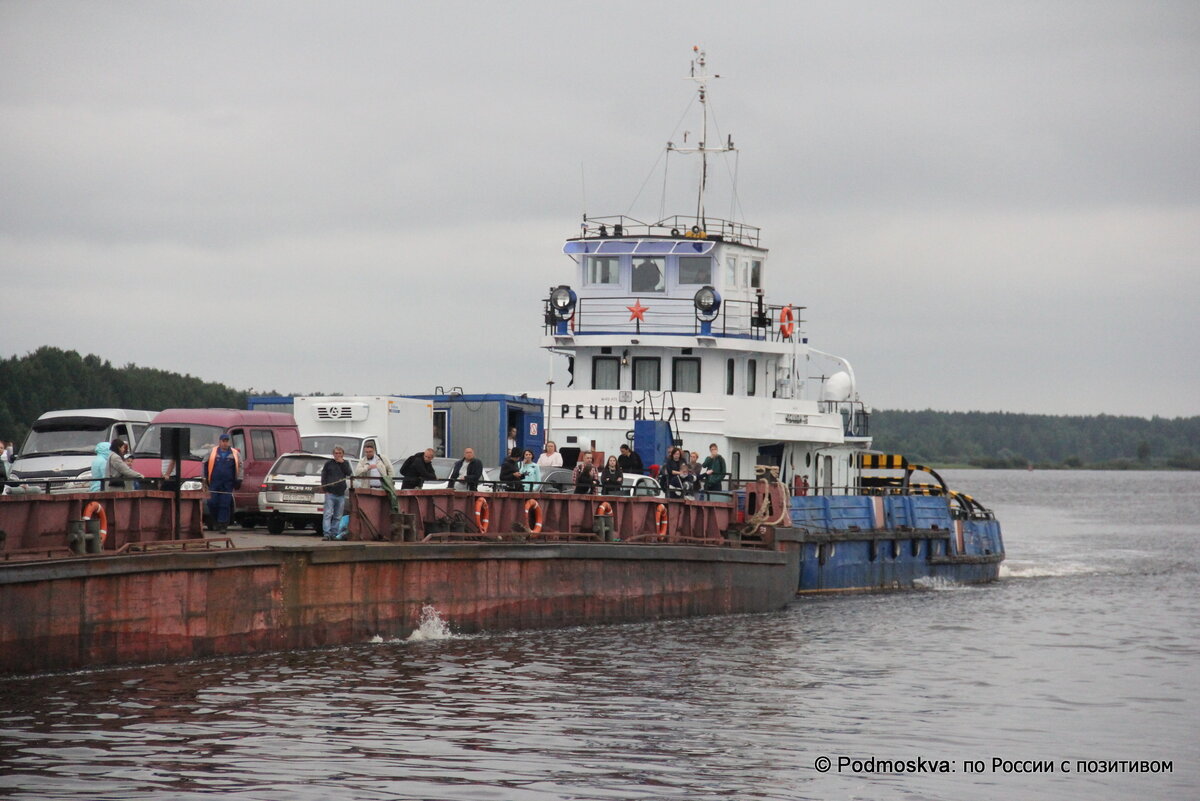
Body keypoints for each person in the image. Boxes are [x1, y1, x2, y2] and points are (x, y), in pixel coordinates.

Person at [202, 433, 242, 532]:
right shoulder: (212, 452)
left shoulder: (235, 453)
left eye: (226, 441)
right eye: (223, 441)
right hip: (214, 482)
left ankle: (222, 524)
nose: (225, 443)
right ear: (219, 442)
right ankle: (215, 520)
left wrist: (239, 479)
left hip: (228, 483)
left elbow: (240, 466)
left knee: (224, 504)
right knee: (212, 503)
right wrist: (204, 478)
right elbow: (204, 464)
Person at [320, 446, 353, 540]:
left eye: (339, 453)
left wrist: (342, 463)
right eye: (336, 453)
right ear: (333, 454)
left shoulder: (345, 463)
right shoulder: (329, 464)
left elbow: (349, 473)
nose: (337, 455)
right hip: (330, 493)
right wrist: (325, 488)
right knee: (328, 514)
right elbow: (324, 476)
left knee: (338, 515)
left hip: (340, 493)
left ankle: (334, 534)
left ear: (343, 454)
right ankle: (327, 534)